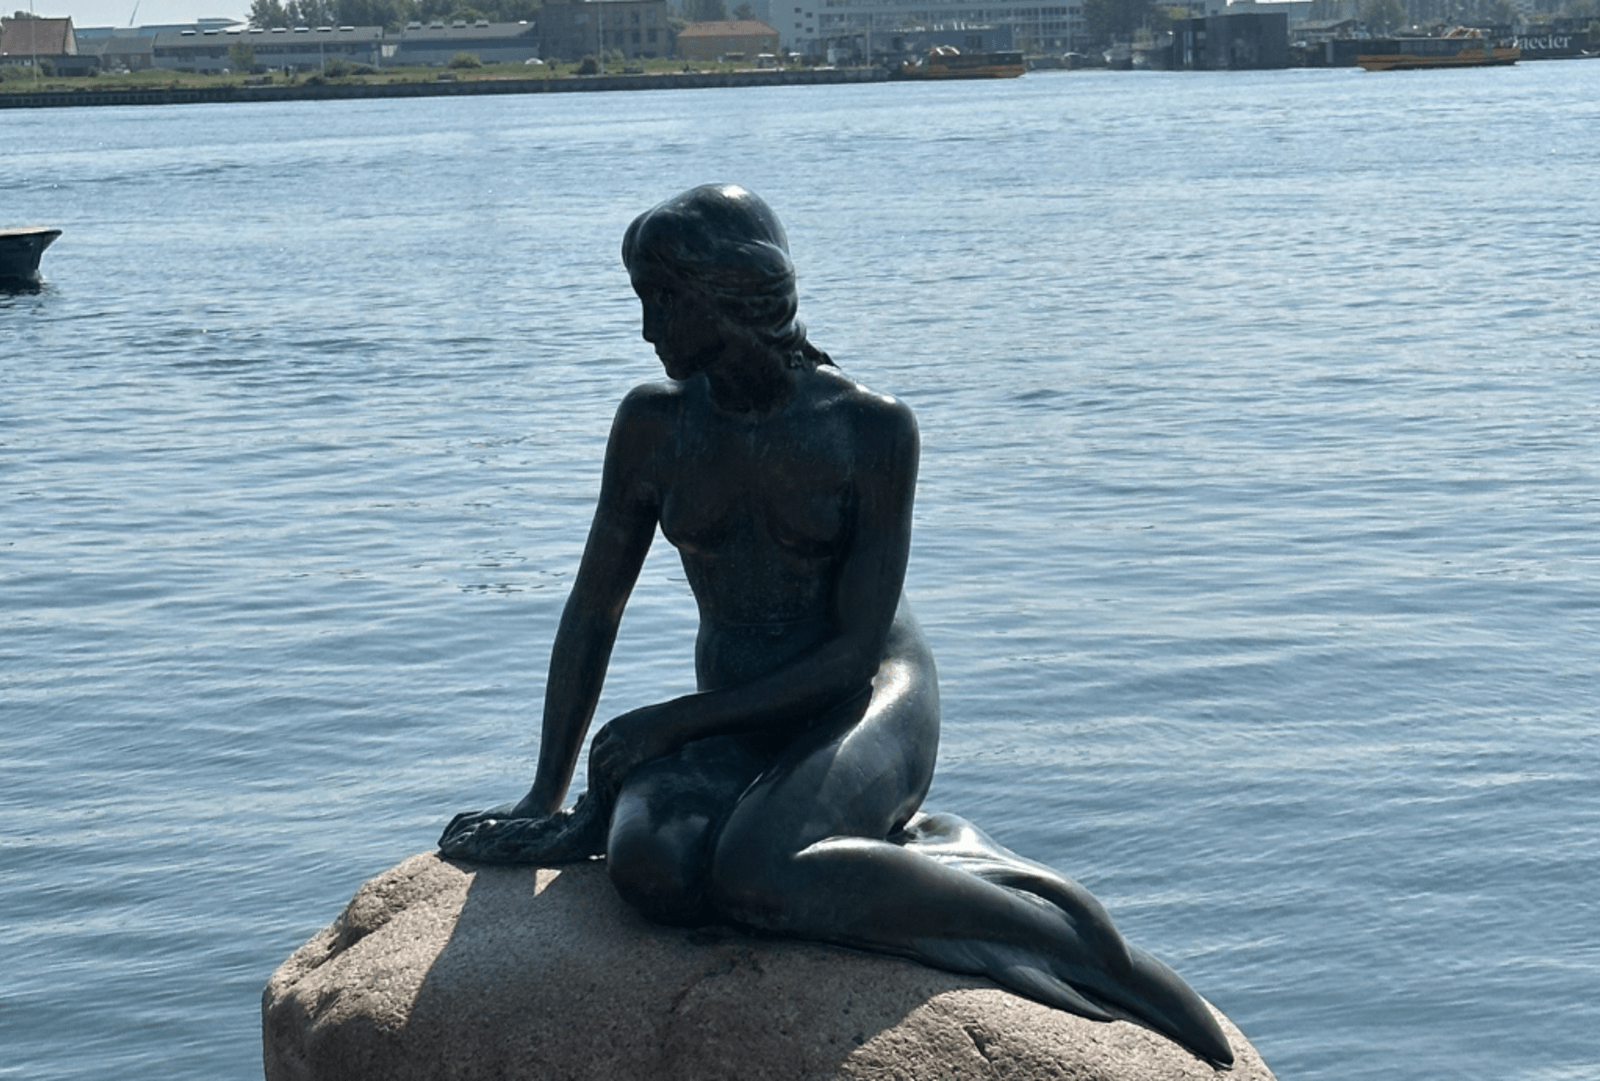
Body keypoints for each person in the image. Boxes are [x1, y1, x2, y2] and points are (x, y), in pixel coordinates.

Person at [440, 184, 1232, 1067]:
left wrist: (669, 724)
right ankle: (887, 847)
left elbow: (853, 652)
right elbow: (595, 609)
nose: (646, 328)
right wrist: (545, 796)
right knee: (654, 873)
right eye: (642, 299)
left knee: (755, 875)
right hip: (742, 709)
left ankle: (1078, 940)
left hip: (867, 697)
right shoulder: (651, 424)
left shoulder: (868, 427)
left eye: (664, 299)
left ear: (732, 293)